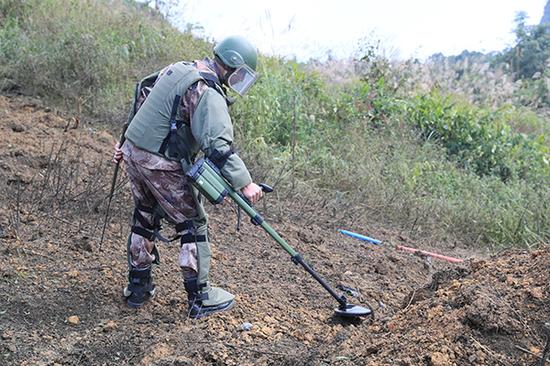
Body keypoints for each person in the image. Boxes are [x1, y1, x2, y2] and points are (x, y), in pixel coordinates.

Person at [112, 35, 263, 319]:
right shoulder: (207, 91)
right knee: (192, 223)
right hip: (158, 160)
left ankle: (137, 289)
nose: (240, 81)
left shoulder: (180, 68)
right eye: (241, 75)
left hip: (134, 152)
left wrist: (125, 143)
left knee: (145, 213)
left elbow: (143, 92)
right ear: (232, 65)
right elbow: (218, 147)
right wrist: (246, 183)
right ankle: (200, 298)